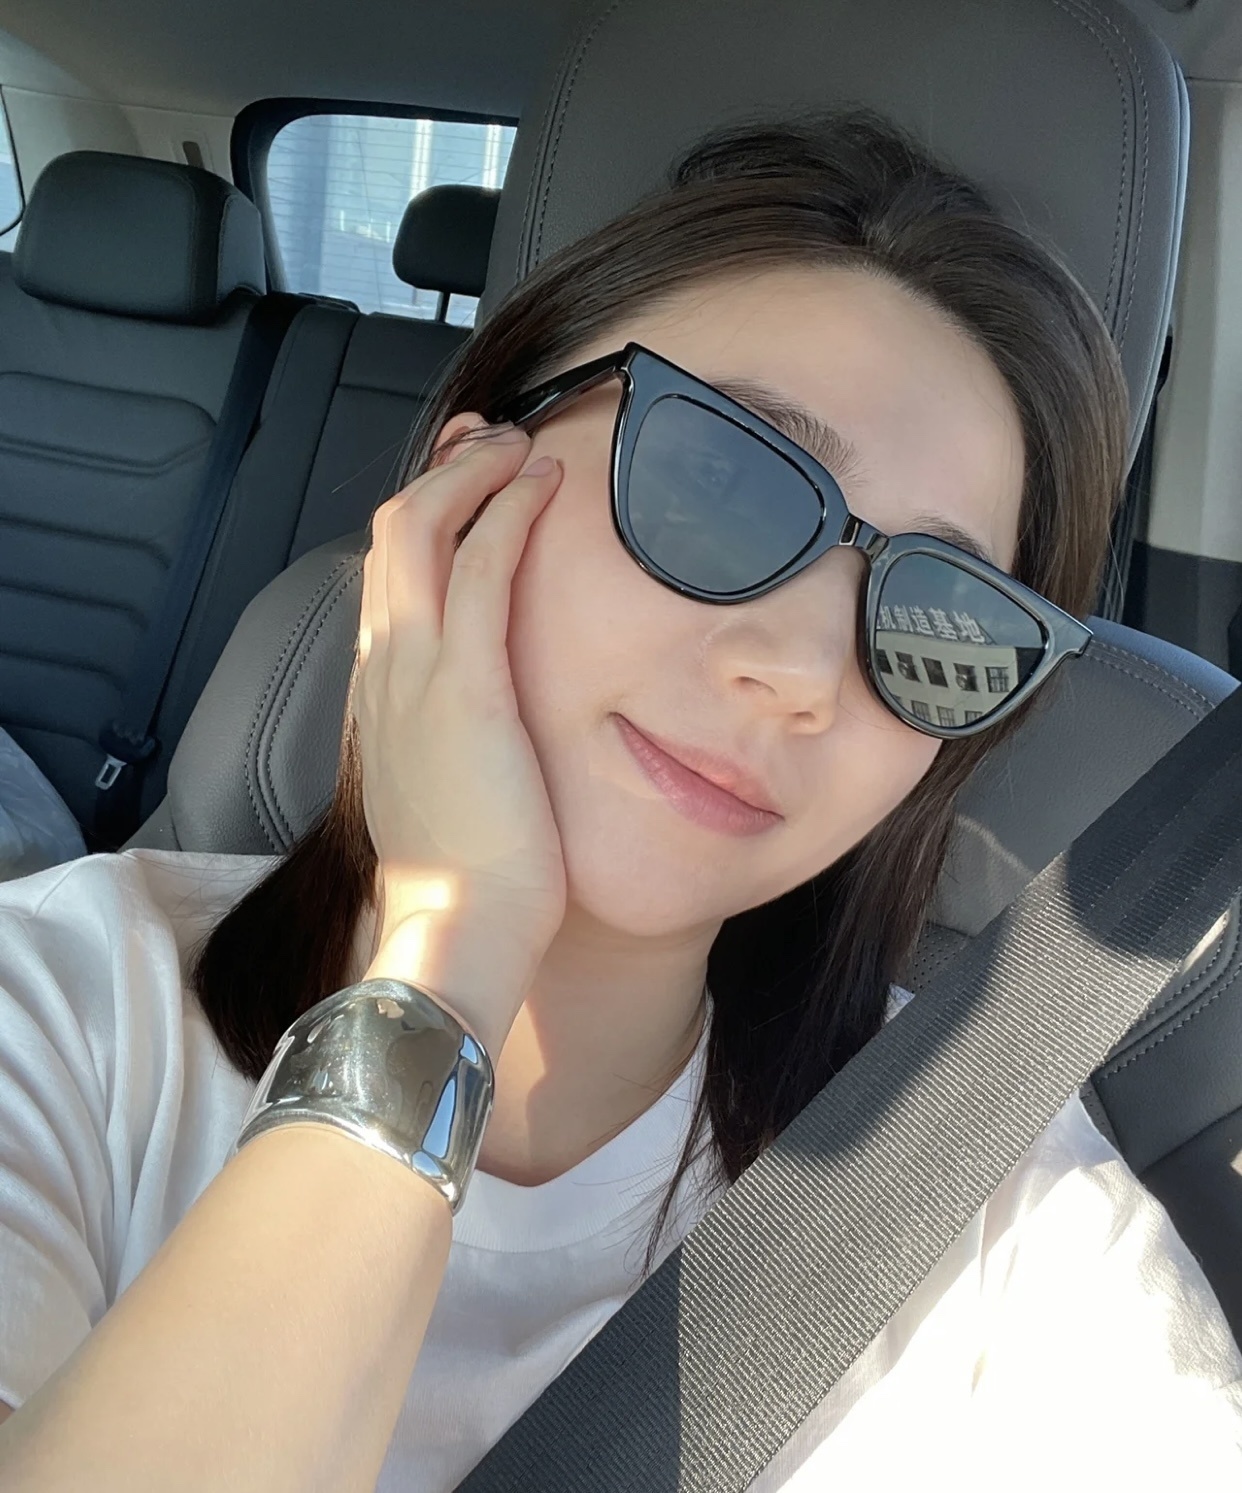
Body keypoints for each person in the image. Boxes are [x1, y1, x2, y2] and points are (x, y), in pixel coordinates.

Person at [0, 111, 1238, 1491]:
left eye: (941, 620)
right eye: (718, 475)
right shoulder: (55, 1006)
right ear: (464, 490)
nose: (800, 672)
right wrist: (450, 951)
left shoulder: (992, 1208)